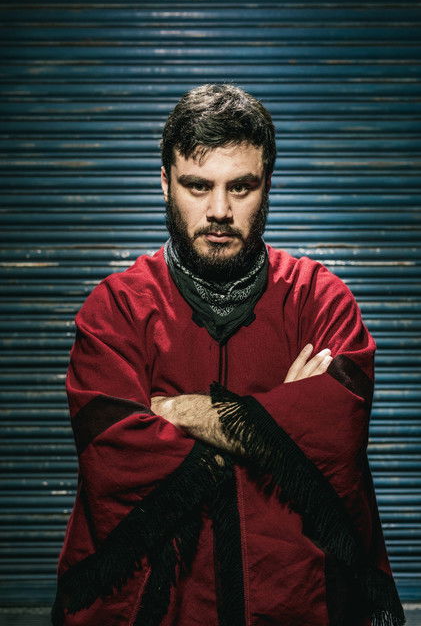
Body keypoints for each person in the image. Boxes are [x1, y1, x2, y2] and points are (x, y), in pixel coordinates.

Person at [51, 84, 404, 626]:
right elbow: (115, 455)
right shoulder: (115, 309)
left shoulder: (320, 300)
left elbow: (335, 431)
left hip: (295, 601)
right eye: (198, 185)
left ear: (268, 186)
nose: (219, 210)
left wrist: (178, 411)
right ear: (165, 183)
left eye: (241, 186)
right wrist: (278, 424)